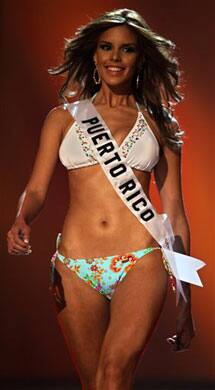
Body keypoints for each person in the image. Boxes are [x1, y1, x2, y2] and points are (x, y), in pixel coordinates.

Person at [7, 8, 197, 390]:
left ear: (140, 57)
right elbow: (38, 189)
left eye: (126, 49)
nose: (115, 57)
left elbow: (174, 213)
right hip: (75, 267)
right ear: (93, 55)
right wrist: (22, 218)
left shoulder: (159, 124)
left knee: (113, 376)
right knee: (95, 384)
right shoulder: (62, 119)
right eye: (106, 47)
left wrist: (185, 298)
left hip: (140, 262)